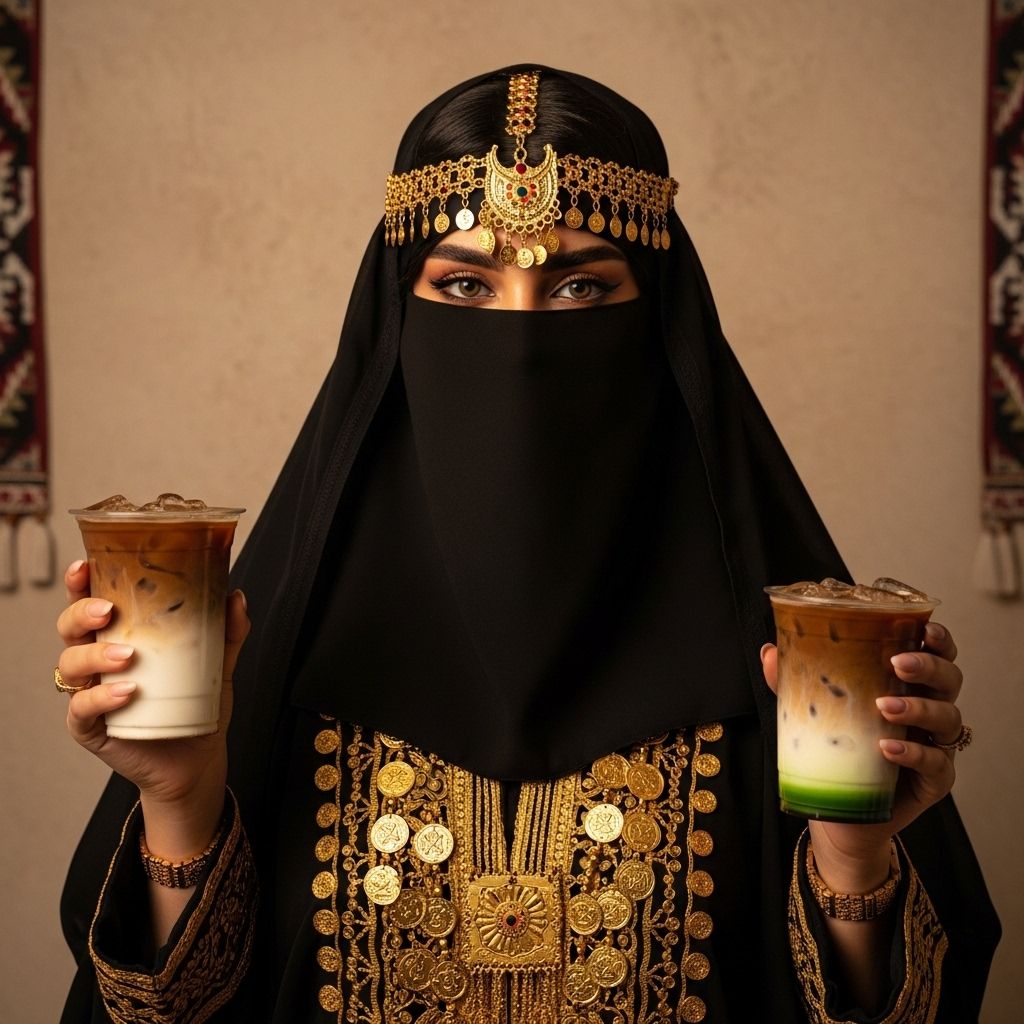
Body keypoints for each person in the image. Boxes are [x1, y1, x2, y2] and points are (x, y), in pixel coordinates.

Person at [55, 66, 998, 1023]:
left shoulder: (798, 678)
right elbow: (154, 1014)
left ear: (662, 322)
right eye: (464, 283)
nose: (519, 343)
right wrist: (178, 800)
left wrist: (854, 854)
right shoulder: (263, 661)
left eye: (582, 285)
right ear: (398, 319)